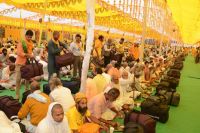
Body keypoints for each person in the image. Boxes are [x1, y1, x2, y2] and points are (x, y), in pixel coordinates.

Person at [15, 30, 34, 99]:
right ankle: (17, 94)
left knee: (27, 78)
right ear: (25, 36)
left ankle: (27, 92)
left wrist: (31, 57)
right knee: (18, 79)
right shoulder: (21, 43)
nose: (29, 38)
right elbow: (19, 53)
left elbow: (30, 52)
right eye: (28, 37)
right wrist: (28, 55)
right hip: (20, 63)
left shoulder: (31, 43)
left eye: (30, 37)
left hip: (27, 64)